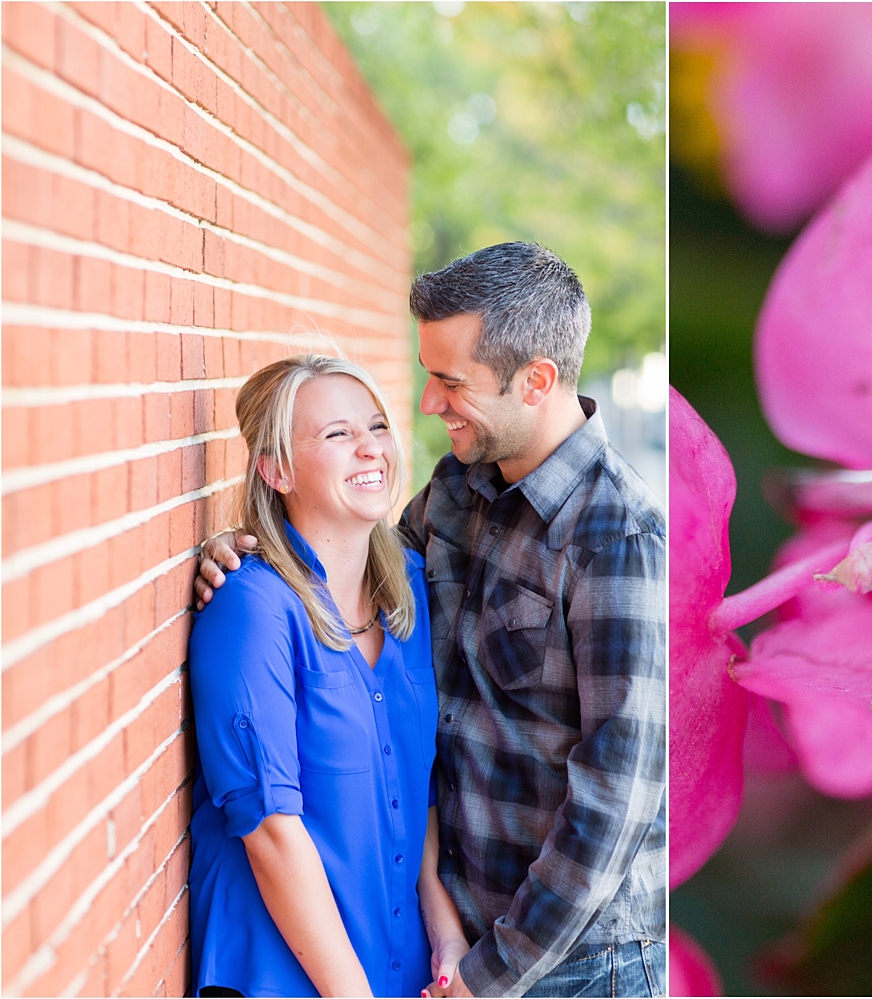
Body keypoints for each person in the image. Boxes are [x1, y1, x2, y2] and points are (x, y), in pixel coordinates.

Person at [197, 243, 667, 996]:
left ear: (536, 381)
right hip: (454, 942)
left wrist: (491, 973)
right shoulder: (456, 493)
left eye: (451, 382)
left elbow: (618, 797)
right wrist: (243, 546)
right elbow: (342, 559)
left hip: (573, 961)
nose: (427, 404)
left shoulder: (617, 537)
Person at [187, 355, 455, 996]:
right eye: (338, 433)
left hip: (398, 966)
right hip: (282, 976)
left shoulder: (411, 592)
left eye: (377, 426)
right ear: (275, 470)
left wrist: (443, 925)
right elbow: (270, 832)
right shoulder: (251, 607)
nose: (371, 448)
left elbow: (414, 788)